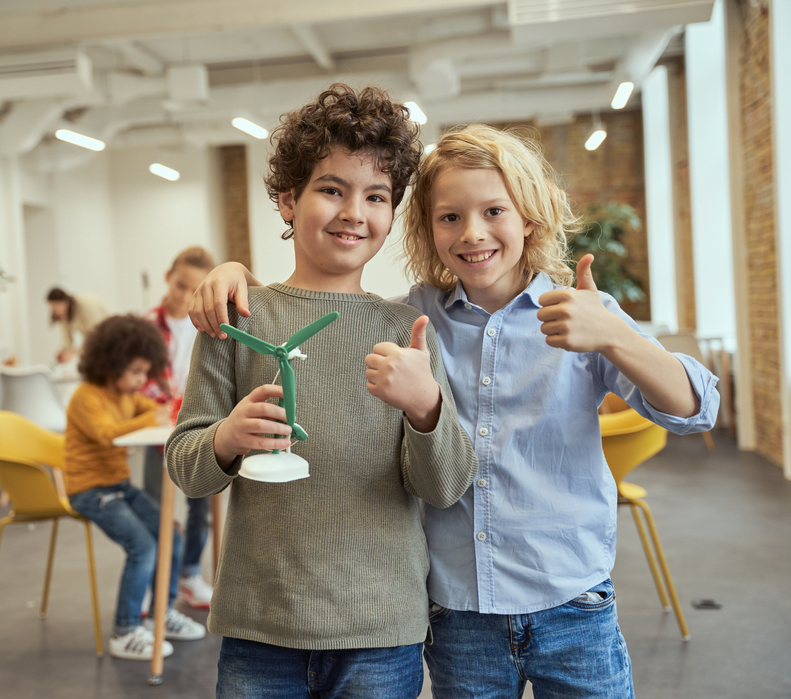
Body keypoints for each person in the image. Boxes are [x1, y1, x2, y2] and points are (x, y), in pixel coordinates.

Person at [188, 124, 721, 698]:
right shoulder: (413, 318)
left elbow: (697, 408)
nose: (473, 234)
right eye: (449, 217)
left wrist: (617, 336)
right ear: (427, 229)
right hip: (459, 614)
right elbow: (327, 306)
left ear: (530, 219)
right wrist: (235, 276)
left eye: (495, 211)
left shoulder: (583, 314)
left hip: (573, 600)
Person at [165, 84, 478, 698]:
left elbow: (445, 486)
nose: (353, 212)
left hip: (380, 628)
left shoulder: (403, 329)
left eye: (376, 196)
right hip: (262, 628)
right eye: (331, 189)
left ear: (392, 212)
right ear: (287, 199)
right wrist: (226, 438)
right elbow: (186, 469)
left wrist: (424, 408)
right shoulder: (236, 317)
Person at [64, 314, 206, 661]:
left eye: (146, 371)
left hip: (118, 485)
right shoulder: (86, 397)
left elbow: (158, 410)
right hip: (90, 490)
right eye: (137, 372)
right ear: (111, 363)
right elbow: (107, 434)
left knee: (171, 535)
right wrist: (153, 416)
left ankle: (162, 614)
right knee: (143, 546)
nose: (143, 380)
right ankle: (125, 630)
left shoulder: (127, 395)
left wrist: (171, 409)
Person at [141, 246, 217, 609]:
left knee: (199, 504)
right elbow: (137, 381)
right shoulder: (146, 327)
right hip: (157, 429)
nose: (185, 295)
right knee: (154, 506)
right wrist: (161, 404)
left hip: (194, 425)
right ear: (168, 277)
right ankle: (153, 581)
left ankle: (188, 574)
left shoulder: (209, 325)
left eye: (194, 289)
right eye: (180, 284)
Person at [46, 287, 110, 364]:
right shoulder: (63, 315)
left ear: (65, 301)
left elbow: (97, 335)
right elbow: (67, 339)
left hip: (108, 339)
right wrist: (64, 352)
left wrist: (74, 352)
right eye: (52, 307)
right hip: (96, 344)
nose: (54, 311)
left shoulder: (86, 304)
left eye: (56, 306)